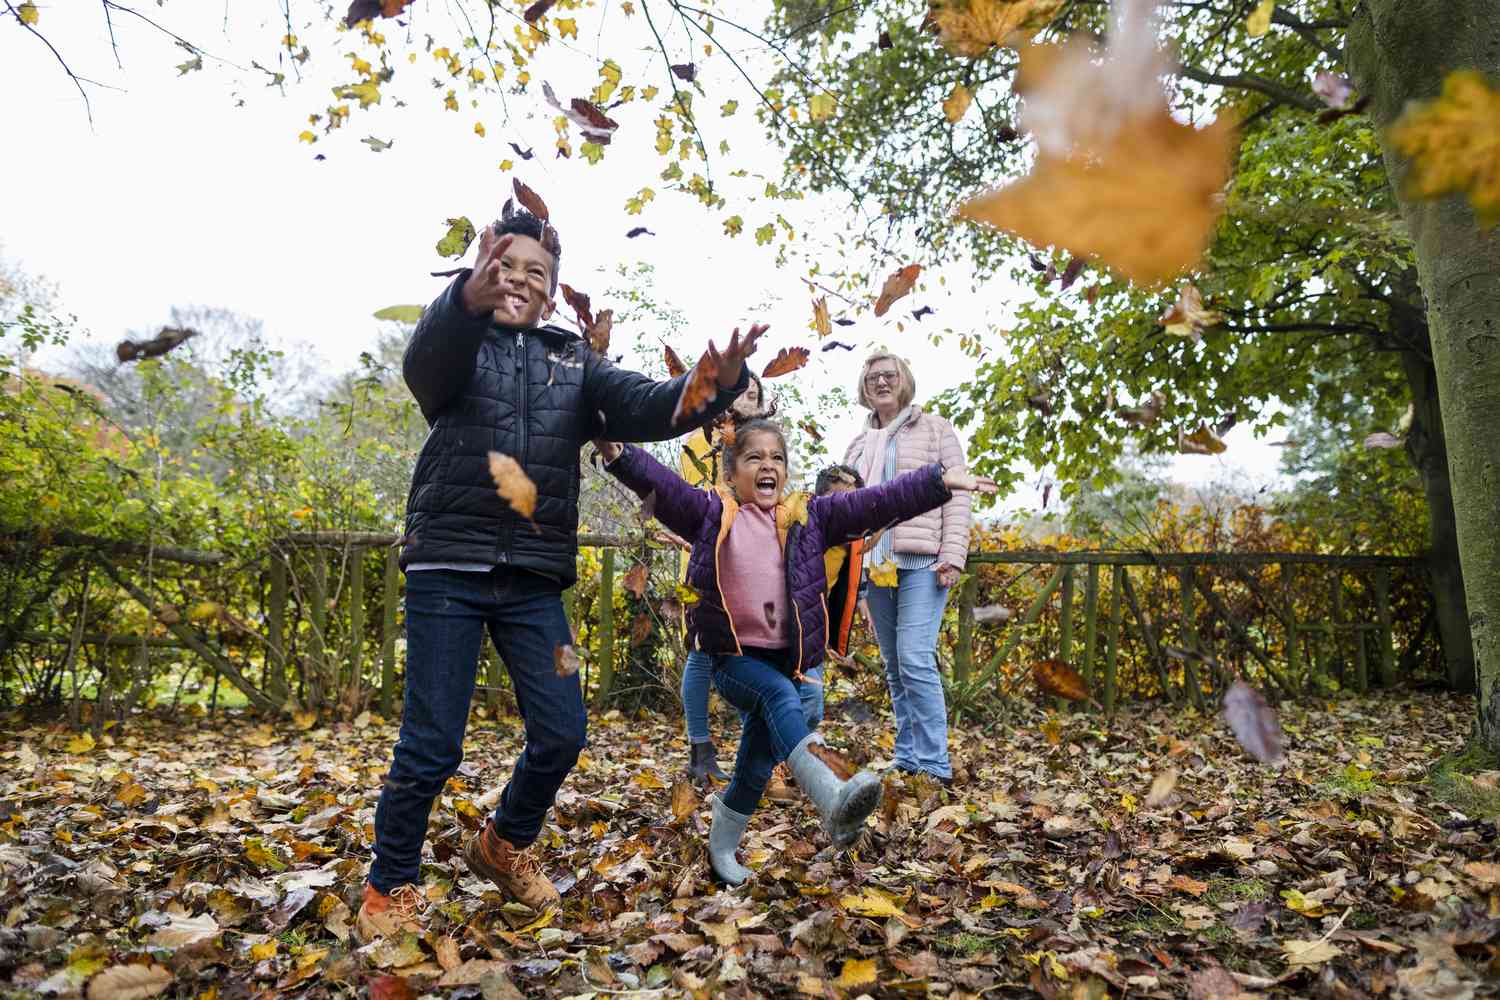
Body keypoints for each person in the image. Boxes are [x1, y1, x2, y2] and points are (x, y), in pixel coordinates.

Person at [356, 208, 766, 941]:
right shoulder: (455, 337)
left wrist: (715, 381)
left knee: (564, 729)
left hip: (534, 580)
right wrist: (460, 304)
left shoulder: (575, 362)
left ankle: (504, 843)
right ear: (482, 272)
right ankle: (391, 885)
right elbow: (425, 367)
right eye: (504, 267)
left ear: (553, 291)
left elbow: (647, 404)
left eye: (534, 273)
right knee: (432, 742)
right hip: (446, 566)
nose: (518, 281)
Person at [595, 421, 996, 885]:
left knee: (755, 762)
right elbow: (659, 484)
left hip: (785, 661)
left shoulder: (811, 518)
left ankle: (722, 850)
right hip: (733, 660)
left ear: (786, 471)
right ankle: (831, 793)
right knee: (779, 699)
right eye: (754, 458)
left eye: (777, 458)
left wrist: (937, 482)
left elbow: (875, 501)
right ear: (731, 473)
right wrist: (615, 448)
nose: (768, 465)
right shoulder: (710, 514)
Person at [844, 352, 974, 785]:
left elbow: (959, 494)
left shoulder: (935, 428)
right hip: (876, 567)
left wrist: (953, 555)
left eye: (889, 375)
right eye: (872, 377)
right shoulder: (859, 445)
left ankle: (935, 763)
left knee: (916, 658)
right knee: (894, 664)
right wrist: (854, 576)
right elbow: (847, 509)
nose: (880, 382)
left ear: (904, 380)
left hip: (923, 561)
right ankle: (907, 756)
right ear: (864, 387)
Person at [679, 375, 771, 783]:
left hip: (757, 561)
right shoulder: (702, 438)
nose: (746, 398)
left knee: (754, 652)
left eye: (754, 392)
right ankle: (700, 748)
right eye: (740, 391)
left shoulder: (769, 439)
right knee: (702, 651)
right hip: (709, 558)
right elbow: (693, 493)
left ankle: (760, 752)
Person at [764, 463, 864, 803]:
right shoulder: (799, 519)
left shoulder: (852, 538)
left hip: (812, 634)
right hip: (777, 628)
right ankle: (773, 769)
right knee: (781, 702)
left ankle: (799, 766)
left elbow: (848, 584)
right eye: (836, 501)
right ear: (819, 498)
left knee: (811, 706)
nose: (843, 509)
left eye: (852, 502)